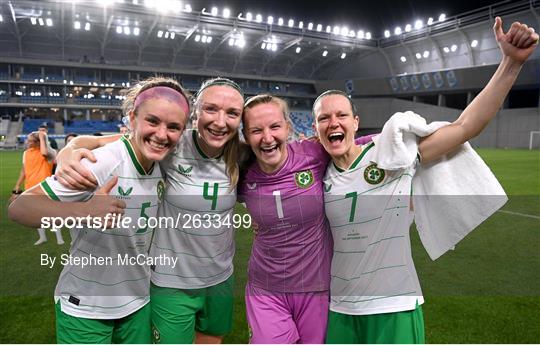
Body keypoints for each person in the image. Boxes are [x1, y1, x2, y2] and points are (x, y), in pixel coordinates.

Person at [312, 17, 538, 344]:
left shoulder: (392, 155)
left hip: (395, 306)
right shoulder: (319, 175)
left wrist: (511, 64)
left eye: (341, 115)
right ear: (317, 128)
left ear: (355, 122)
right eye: (323, 118)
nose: (333, 122)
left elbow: (465, 127)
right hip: (341, 311)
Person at [53, 77, 245, 344]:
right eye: (211, 109)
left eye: (233, 113)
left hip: (221, 277)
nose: (220, 121)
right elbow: (114, 141)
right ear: (195, 114)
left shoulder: (243, 155)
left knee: (212, 338)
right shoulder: (173, 143)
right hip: (171, 279)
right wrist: (70, 149)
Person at [9, 76, 191, 343]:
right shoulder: (103, 162)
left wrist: (75, 143)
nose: (162, 134)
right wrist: (84, 212)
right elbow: (20, 207)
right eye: (152, 121)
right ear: (133, 118)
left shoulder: (164, 158)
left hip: (138, 303)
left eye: (173, 127)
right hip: (85, 306)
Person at [239, 94, 374, 343]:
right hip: (265, 289)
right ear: (246, 137)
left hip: (317, 288)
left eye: (275, 127)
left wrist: (408, 135)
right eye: (256, 130)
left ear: (288, 128)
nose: (267, 138)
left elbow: (363, 146)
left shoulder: (313, 153)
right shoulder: (241, 173)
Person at [12, 130, 64, 245]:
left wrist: (42, 137)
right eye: (28, 140)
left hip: (46, 187)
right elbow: (24, 170)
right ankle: (42, 237)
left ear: (38, 142)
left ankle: (59, 238)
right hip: (30, 187)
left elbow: (44, 153)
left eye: (30, 141)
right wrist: (17, 185)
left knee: (51, 213)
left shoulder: (49, 152)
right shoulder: (26, 153)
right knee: (36, 214)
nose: (27, 142)